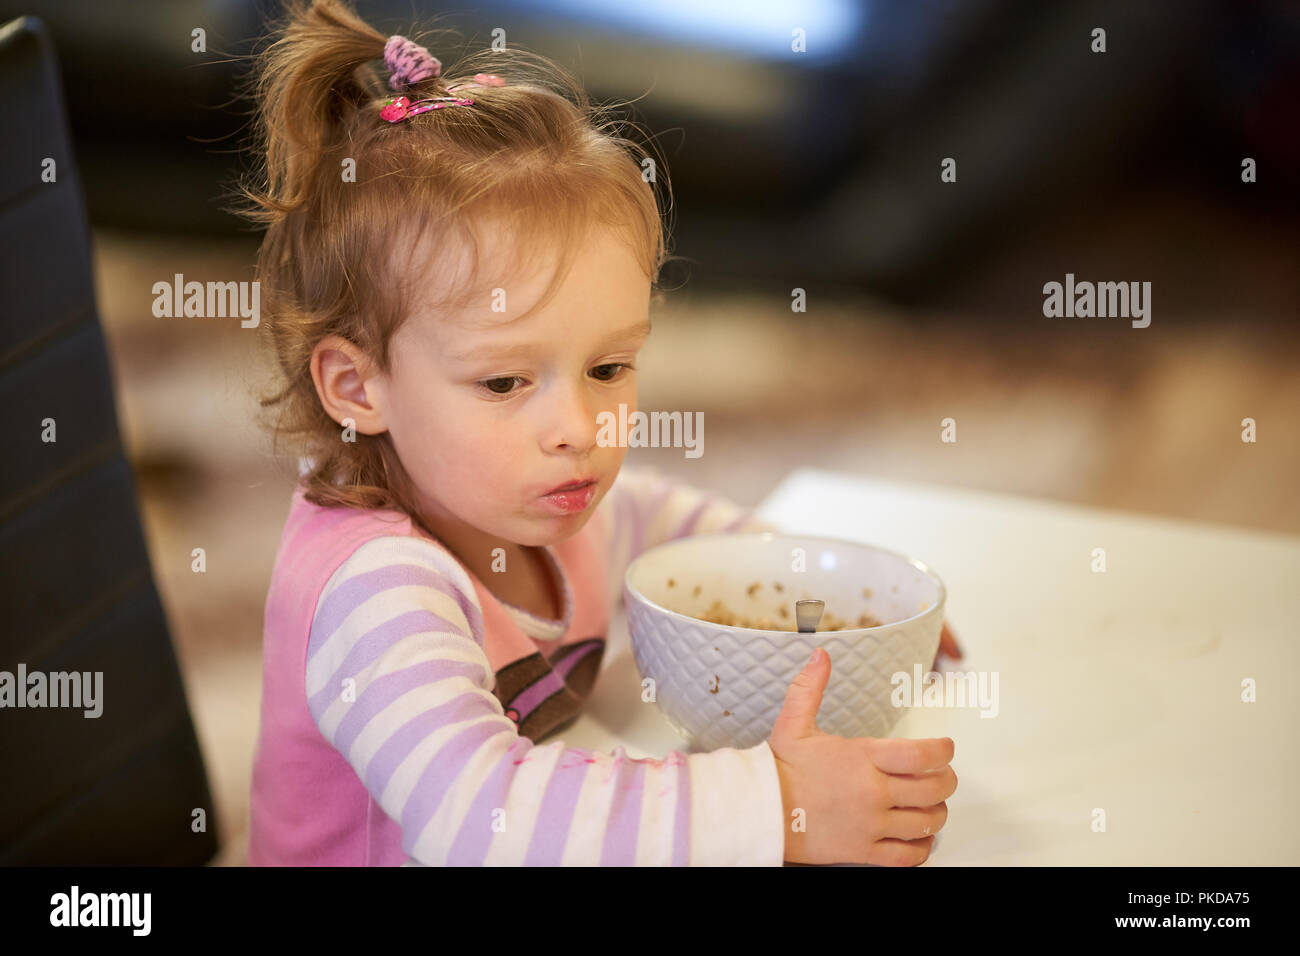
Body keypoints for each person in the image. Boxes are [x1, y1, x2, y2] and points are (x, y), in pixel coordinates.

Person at [238, 0, 959, 866]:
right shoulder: (373, 590)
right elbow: (486, 818)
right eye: (505, 381)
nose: (578, 430)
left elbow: (669, 528)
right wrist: (781, 808)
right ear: (358, 388)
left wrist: (836, 617)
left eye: (608, 369)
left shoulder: (544, 497)